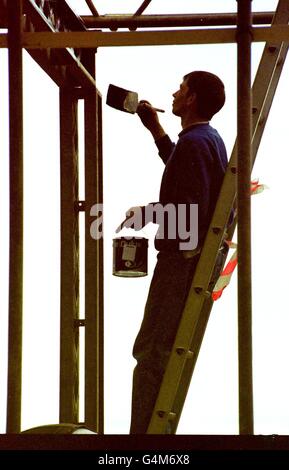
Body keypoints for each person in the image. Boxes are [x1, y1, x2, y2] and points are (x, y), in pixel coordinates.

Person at [121, 71, 228, 434]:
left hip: (179, 263)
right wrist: (155, 130)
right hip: (187, 260)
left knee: (151, 350)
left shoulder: (196, 143)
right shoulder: (204, 140)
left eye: (181, 89)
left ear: (193, 98)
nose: (174, 93)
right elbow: (186, 175)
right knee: (158, 349)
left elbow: (190, 205)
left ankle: (143, 439)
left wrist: (148, 213)